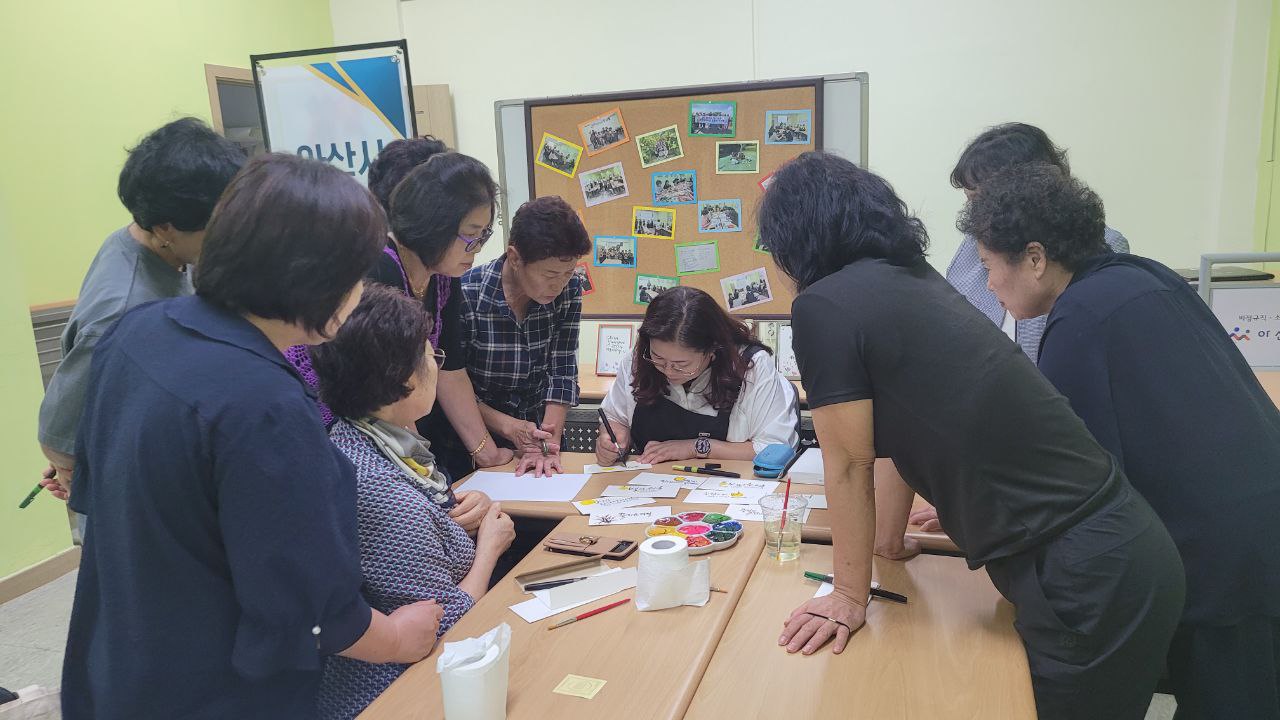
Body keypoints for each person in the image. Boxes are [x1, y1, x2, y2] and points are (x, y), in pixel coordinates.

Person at [758, 151, 1185, 720]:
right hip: (1114, 550)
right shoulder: (912, 280)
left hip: (1085, 572)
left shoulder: (825, 305)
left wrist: (847, 596)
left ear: (793, 238)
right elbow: (887, 440)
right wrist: (887, 543)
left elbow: (849, 462)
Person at [61, 154, 443, 719]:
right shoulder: (265, 406)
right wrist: (396, 637)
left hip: (118, 662)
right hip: (214, 688)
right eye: (354, 277)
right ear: (318, 280)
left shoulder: (137, 333)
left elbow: (98, 492)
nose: (360, 291)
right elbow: (307, 607)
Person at [962, 162, 1280, 720]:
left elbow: (1074, 480)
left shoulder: (1078, 322)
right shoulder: (1143, 275)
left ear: (1034, 258)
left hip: (1222, 557)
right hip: (1256, 523)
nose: (988, 285)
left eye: (989, 266)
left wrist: (982, 516)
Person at [310, 285, 516, 719]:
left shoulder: (362, 438)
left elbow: (418, 525)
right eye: (430, 356)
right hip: (393, 693)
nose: (436, 365)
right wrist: (490, 548)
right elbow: (439, 625)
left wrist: (460, 511)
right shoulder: (381, 489)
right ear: (405, 381)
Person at [35, 118, 244, 529]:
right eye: (218, 226)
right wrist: (72, 471)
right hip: (134, 508)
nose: (229, 235)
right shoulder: (122, 311)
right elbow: (58, 434)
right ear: (166, 228)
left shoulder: (146, 242)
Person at [286, 140, 515, 481]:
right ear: (435, 225)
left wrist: (486, 453)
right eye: (471, 235)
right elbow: (383, 399)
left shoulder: (444, 274)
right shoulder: (376, 271)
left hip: (380, 432)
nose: (478, 249)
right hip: (330, 430)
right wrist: (426, 481)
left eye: (484, 235)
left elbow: (450, 369)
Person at [946, 122, 1130, 363]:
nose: (973, 212)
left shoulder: (1101, 245)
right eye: (970, 200)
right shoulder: (973, 248)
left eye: (979, 199)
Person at [461, 195, 590, 477]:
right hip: (476, 438)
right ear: (515, 258)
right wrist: (508, 426)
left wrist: (549, 441)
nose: (559, 285)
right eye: (550, 274)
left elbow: (562, 370)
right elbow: (453, 387)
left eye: (568, 273)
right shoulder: (466, 293)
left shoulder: (569, 290)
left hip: (539, 436)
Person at [596, 286, 798, 465]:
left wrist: (696, 447)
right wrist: (612, 439)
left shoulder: (750, 366)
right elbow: (615, 417)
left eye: (681, 365)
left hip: (730, 487)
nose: (668, 371)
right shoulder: (640, 359)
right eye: (658, 358)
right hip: (652, 485)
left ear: (712, 351)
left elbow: (775, 449)